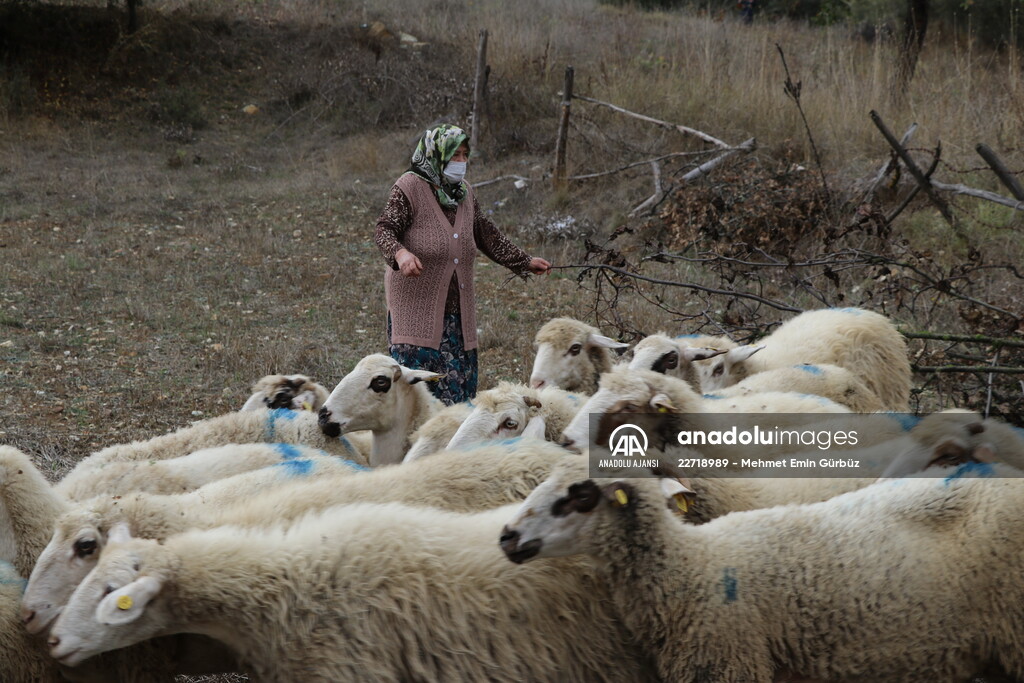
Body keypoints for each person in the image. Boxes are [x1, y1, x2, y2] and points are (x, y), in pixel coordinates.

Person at [374, 124, 551, 405]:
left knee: (459, 400)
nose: (460, 163)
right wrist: (401, 254)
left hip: (458, 319)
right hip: (417, 315)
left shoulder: (463, 193)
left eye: (465, 156)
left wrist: (525, 261)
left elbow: (486, 234)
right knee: (419, 400)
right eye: (454, 155)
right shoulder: (409, 187)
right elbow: (385, 229)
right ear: (436, 154)